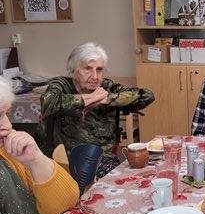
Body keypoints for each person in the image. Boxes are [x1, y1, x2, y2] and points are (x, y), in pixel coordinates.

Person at [0, 77, 101, 214]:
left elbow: (65, 204)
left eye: (5, 114)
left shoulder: (6, 154)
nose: (8, 125)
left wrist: (36, 159)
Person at [37, 42, 155, 178]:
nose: (94, 76)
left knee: (144, 175)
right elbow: (48, 102)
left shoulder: (106, 87)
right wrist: (89, 99)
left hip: (104, 159)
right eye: (87, 68)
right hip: (67, 162)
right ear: (73, 70)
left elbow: (147, 96)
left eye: (99, 70)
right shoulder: (62, 85)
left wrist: (106, 99)